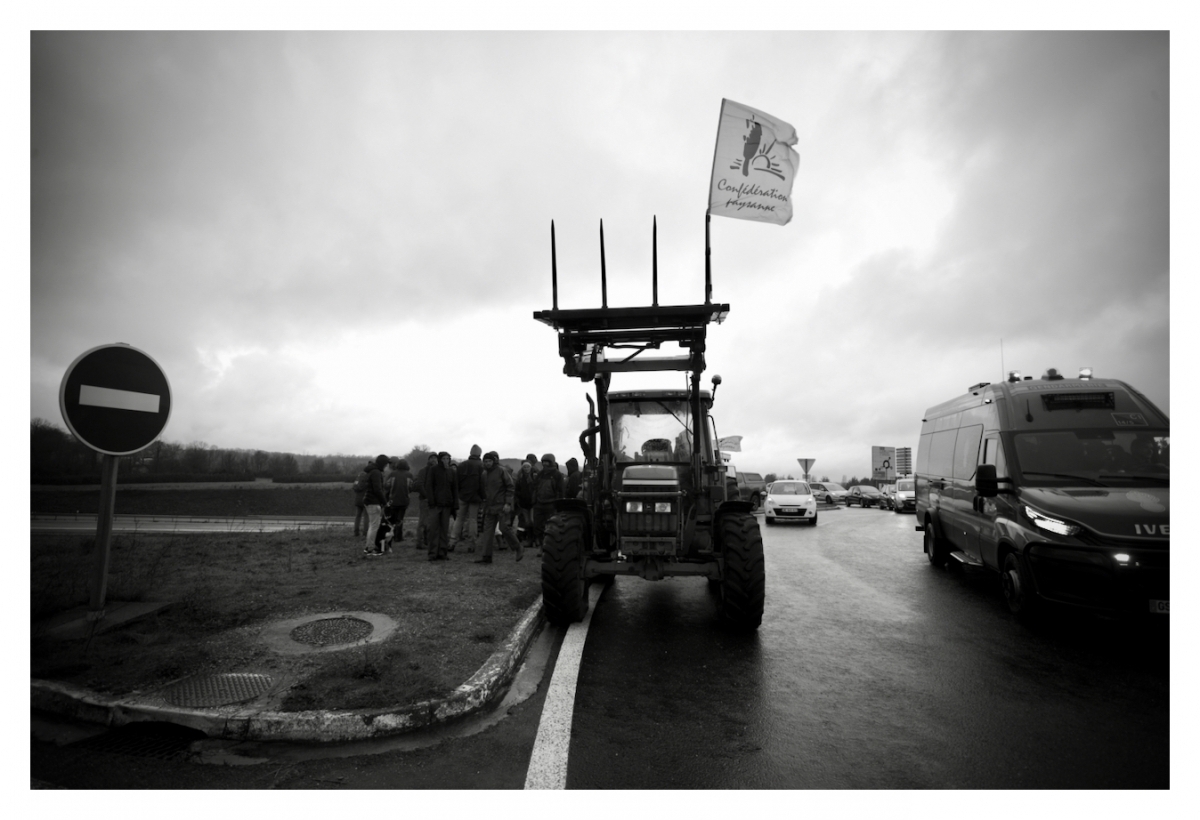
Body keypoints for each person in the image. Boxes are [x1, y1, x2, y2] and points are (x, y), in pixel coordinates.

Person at [476, 451, 523, 563]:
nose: (487, 463)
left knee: (504, 528)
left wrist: (508, 503)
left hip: (502, 505)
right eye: (485, 461)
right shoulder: (484, 474)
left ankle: (518, 547)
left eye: (489, 461)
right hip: (489, 506)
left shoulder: (502, 471)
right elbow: (485, 490)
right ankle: (486, 556)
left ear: (494, 461)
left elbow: (510, 487)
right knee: (487, 531)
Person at [423, 450, 458, 561]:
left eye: (447, 459)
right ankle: (432, 553)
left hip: (447, 505)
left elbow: (454, 489)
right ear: (439, 460)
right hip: (435, 505)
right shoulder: (433, 470)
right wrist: (432, 501)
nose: (446, 461)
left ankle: (443, 552)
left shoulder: (452, 472)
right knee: (433, 529)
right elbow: (429, 486)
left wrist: (455, 504)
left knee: (444, 530)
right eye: (443, 459)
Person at [450, 444, 486, 553]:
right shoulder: (482, 466)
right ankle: (471, 544)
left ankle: (452, 542)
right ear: (480, 453)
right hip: (476, 497)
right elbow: (483, 484)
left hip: (462, 496)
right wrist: (483, 497)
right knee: (473, 520)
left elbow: (456, 482)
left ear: (470, 453)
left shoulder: (461, 465)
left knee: (459, 519)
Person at [531, 453, 564, 555]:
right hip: (539, 504)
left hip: (551, 504)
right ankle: (541, 546)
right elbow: (535, 488)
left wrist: (558, 503)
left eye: (547, 462)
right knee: (537, 527)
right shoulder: (540, 474)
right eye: (544, 462)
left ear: (551, 462)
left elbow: (560, 491)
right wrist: (534, 500)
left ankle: (550, 547)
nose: (545, 464)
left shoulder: (557, 475)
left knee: (551, 527)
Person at [362, 454, 390, 556]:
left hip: (369, 501)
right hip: (373, 502)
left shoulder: (372, 471)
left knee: (372, 525)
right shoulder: (376, 473)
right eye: (386, 464)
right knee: (374, 526)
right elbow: (378, 489)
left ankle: (368, 547)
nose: (387, 467)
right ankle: (370, 548)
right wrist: (384, 502)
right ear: (383, 464)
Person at [384, 457, 412, 549]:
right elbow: (412, 487)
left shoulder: (392, 474)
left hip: (393, 500)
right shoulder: (409, 475)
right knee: (400, 519)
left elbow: (386, 485)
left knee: (393, 519)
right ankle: (399, 537)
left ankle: (392, 536)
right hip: (404, 500)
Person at [414, 452, 438, 549]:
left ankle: (427, 541)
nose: (433, 459)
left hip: (435, 500)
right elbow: (420, 484)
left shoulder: (437, 471)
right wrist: (427, 496)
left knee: (430, 522)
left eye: (435, 458)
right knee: (423, 522)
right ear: (428, 460)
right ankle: (419, 542)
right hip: (425, 499)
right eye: (431, 458)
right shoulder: (423, 470)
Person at [514, 458, 536, 549]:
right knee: (527, 522)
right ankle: (530, 539)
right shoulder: (520, 479)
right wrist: (520, 496)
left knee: (532, 521)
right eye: (525, 467)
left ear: (530, 468)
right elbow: (517, 490)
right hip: (524, 503)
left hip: (532, 503)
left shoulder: (534, 478)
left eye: (528, 467)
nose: (526, 468)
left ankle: (534, 539)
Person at [352, 461, 371, 537]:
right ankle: (365, 532)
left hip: (358, 499)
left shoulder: (360, 475)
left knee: (358, 516)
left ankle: (356, 532)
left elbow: (355, 486)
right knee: (366, 516)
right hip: (366, 499)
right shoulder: (369, 476)